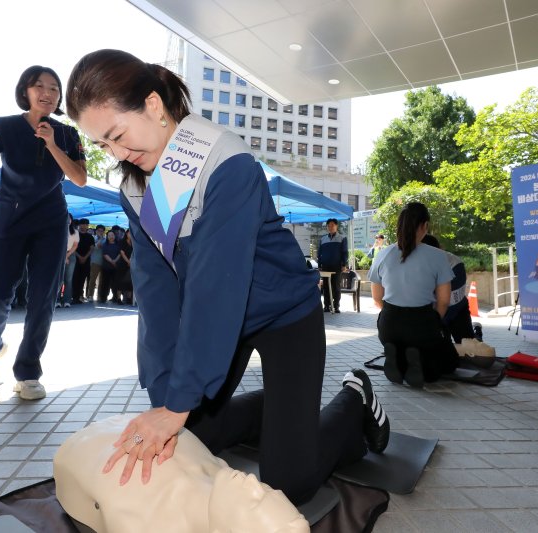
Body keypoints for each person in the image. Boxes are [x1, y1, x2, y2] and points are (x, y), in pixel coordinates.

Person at [65, 49, 389, 506]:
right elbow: (158, 296)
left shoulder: (226, 162)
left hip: (284, 315)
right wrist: (165, 397)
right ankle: (272, 412)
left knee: (287, 483)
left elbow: (214, 289)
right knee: (193, 437)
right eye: (103, 146)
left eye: (117, 135)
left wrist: (178, 405)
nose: (118, 154)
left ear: (154, 106)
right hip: (225, 323)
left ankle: (353, 403)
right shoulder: (135, 190)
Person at [0, 65, 87, 401]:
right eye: (39, 86)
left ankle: (28, 371)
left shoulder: (68, 134)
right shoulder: (4, 126)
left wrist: (52, 144)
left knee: (43, 297)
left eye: (54, 88)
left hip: (50, 221)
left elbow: (79, 178)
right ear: (26, 92)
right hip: (8, 220)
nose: (47, 93)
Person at [54, 414, 309, 533]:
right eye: (267, 489)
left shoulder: (144, 524)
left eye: (256, 501)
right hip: (135, 425)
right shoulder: (224, 480)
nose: (253, 481)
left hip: (79, 449)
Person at [368, 202, 459, 387]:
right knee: (443, 365)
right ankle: (418, 361)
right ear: (425, 226)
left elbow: (377, 298)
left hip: (389, 325)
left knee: (403, 342)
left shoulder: (383, 254)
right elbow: (443, 301)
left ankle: (397, 358)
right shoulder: (438, 256)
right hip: (422, 324)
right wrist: (433, 322)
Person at [421, 234, 478, 343]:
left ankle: (477, 332)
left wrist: (438, 324)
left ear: (438, 250)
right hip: (433, 313)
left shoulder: (455, 265)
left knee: (470, 349)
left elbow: (448, 303)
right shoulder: (417, 264)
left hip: (457, 311)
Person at [317, 218, 348, 313]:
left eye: (332, 225)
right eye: (328, 226)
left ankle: (336, 306)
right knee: (325, 287)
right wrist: (319, 265)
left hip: (337, 267)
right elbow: (319, 253)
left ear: (336, 226)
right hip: (325, 266)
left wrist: (344, 264)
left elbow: (345, 252)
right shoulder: (323, 239)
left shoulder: (342, 238)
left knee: (336, 287)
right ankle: (326, 306)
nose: (330, 227)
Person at [72, 218, 94, 303]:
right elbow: (73, 247)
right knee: (75, 278)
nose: (84, 226)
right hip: (75, 259)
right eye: (82, 224)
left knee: (82, 279)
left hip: (86, 260)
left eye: (86, 224)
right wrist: (80, 257)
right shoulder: (75, 234)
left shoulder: (90, 236)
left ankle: (79, 296)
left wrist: (84, 257)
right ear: (79, 225)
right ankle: (74, 297)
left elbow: (92, 248)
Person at [60, 213, 79, 308]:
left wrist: (67, 256)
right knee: (59, 279)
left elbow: (75, 245)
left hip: (71, 255)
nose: (68, 220)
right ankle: (57, 300)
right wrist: (63, 256)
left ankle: (67, 300)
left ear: (71, 220)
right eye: (66, 218)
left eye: (69, 218)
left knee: (68, 279)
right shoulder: (58, 230)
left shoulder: (75, 232)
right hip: (59, 255)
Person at [98, 229, 121, 303]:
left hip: (116, 267)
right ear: (107, 236)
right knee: (105, 283)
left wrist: (115, 261)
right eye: (109, 235)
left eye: (112, 235)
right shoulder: (105, 244)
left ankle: (115, 297)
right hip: (106, 267)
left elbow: (120, 254)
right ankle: (103, 298)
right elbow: (105, 255)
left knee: (115, 283)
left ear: (115, 236)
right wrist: (112, 261)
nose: (111, 237)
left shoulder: (118, 244)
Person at [87, 224, 106, 302]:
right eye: (99, 230)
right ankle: (90, 295)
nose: (100, 232)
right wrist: (99, 240)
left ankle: (99, 296)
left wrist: (101, 239)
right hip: (94, 261)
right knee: (92, 280)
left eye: (102, 231)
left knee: (101, 281)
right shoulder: (92, 238)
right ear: (96, 231)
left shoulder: (106, 239)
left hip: (104, 262)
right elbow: (94, 247)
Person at [116, 228, 133, 305]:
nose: (130, 234)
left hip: (132, 265)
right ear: (126, 233)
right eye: (129, 233)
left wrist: (131, 262)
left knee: (130, 282)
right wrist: (128, 261)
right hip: (122, 264)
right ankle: (119, 299)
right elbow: (122, 253)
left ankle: (129, 299)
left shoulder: (134, 243)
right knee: (120, 281)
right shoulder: (121, 242)